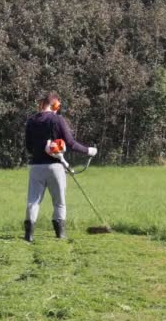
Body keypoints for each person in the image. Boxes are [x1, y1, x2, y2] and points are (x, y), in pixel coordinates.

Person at [24, 92, 97, 242]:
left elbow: (29, 147)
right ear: (56, 105)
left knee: (33, 202)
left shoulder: (31, 121)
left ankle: (28, 235)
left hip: (36, 167)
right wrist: (89, 151)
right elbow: (71, 143)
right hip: (55, 168)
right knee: (59, 202)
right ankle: (60, 234)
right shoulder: (57, 119)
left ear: (42, 104)